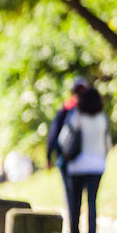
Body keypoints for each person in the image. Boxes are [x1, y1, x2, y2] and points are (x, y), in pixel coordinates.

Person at [65, 86, 110, 233]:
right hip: (97, 165)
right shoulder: (102, 118)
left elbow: (64, 138)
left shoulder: (77, 116)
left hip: (77, 165)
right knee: (92, 202)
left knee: (75, 203)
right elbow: (107, 144)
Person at [47, 77, 89, 224]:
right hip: (86, 160)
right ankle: (81, 229)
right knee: (83, 196)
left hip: (67, 159)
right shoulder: (92, 109)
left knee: (71, 195)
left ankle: (73, 228)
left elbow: (53, 135)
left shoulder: (66, 109)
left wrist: (49, 156)